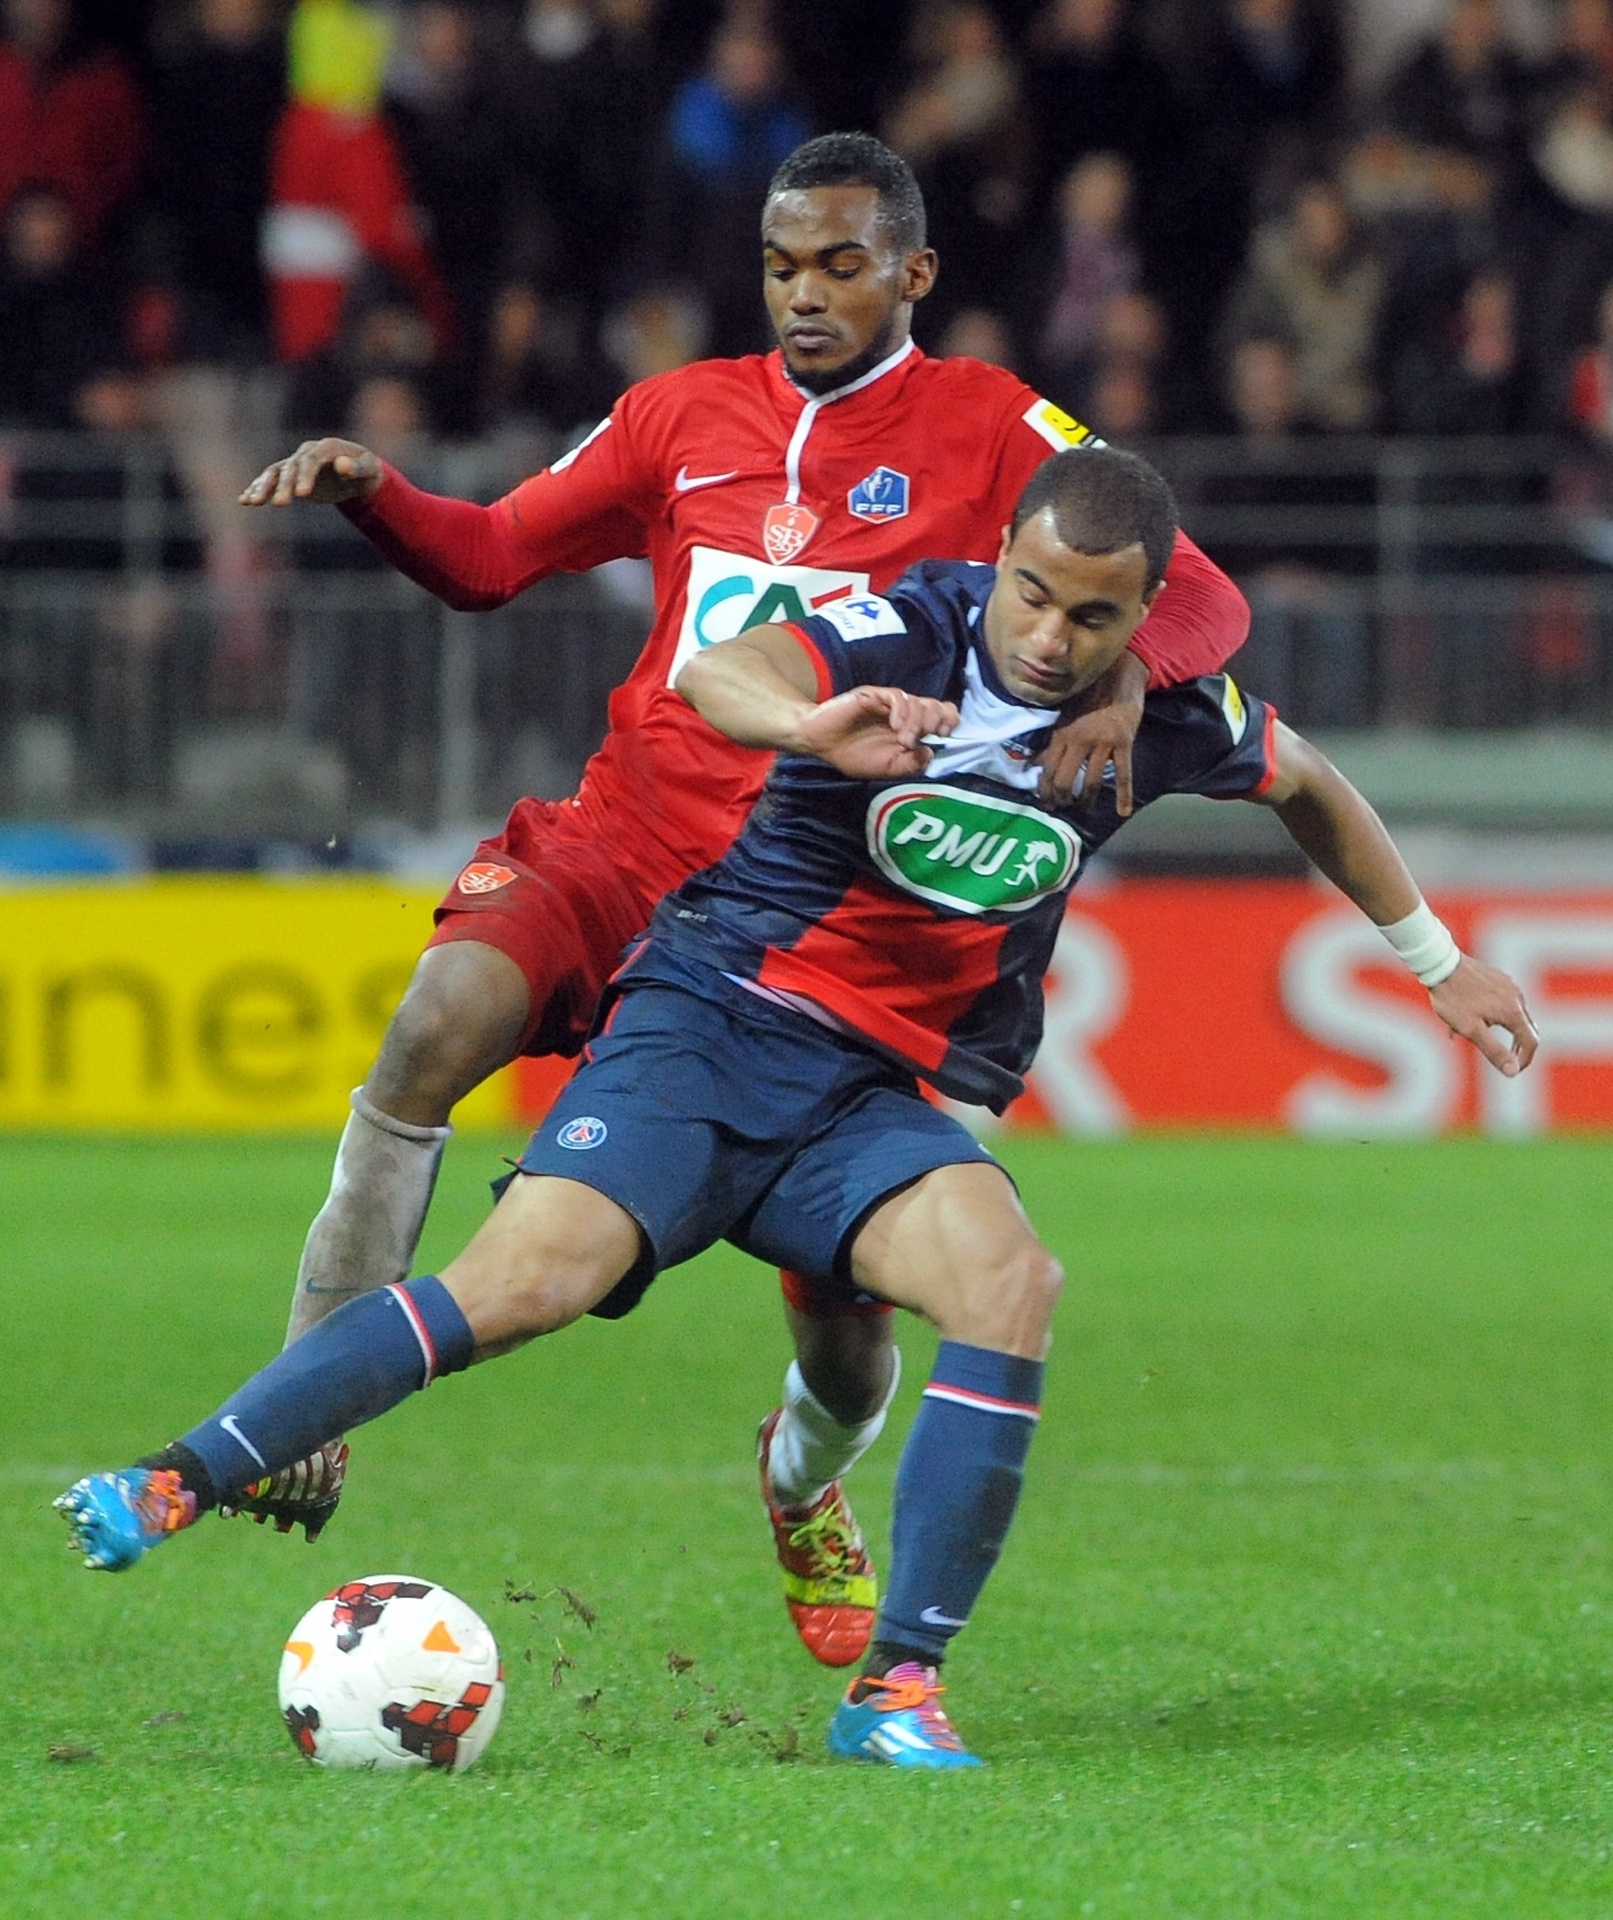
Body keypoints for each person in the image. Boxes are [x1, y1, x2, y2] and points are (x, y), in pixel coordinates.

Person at [58, 447, 1538, 1770]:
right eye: (1031, 594)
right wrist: (816, 723)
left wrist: (1438, 961)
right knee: (520, 1288)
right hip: (708, 1027)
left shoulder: (1159, 714)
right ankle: (176, 1479)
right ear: (1002, 558)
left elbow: (1308, 783)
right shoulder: (913, 630)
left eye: (1092, 617)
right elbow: (725, 671)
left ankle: (898, 1689)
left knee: (1006, 1283)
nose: (1047, 636)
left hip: (865, 1099)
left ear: (1146, 614)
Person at [233, 131, 1252, 1667]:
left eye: (840, 264)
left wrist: (1123, 682)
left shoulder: (990, 424)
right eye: (781, 267)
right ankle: (303, 1403)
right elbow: (492, 556)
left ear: (912, 272)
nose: (804, 295)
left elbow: (1200, 596)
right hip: (620, 849)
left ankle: (800, 1479)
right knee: (437, 1021)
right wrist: (380, 494)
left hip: (812, 924)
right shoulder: (676, 413)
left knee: (842, 1345)